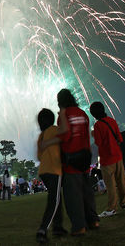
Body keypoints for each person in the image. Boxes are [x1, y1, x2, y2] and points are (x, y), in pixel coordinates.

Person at [40, 89, 98, 236]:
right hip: (85, 157)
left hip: (71, 160)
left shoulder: (64, 115)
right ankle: (93, 220)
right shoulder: (83, 113)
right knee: (87, 192)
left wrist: (49, 142)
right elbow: (85, 135)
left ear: (60, 101)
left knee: (73, 195)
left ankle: (79, 227)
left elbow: (65, 136)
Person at [89, 101, 125, 218]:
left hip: (107, 159)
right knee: (121, 181)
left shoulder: (97, 126)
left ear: (94, 114)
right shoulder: (112, 121)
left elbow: (99, 143)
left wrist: (93, 134)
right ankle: (124, 203)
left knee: (110, 185)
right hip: (118, 156)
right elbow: (120, 138)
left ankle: (112, 208)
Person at [35, 108, 66, 244]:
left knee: (56, 198)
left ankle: (57, 227)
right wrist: (63, 115)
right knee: (54, 200)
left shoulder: (41, 136)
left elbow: (39, 156)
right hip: (54, 169)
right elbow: (65, 132)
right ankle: (43, 229)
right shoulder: (54, 129)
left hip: (43, 171)